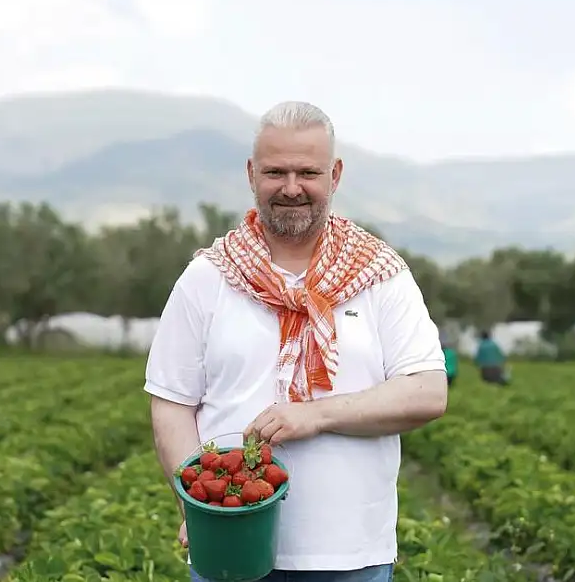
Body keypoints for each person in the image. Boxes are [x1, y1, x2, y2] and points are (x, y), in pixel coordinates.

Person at [144, 101, 450, 582]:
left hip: (351, 553)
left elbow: (428, 390)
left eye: (308, 172)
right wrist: (195, 500)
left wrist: (315, 414)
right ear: (251, 174)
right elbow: (171, 401)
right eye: (275, 172)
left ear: (335, 174)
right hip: (230, 551)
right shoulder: (208, 276)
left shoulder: (380, 275)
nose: (291, 188)